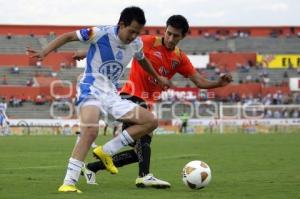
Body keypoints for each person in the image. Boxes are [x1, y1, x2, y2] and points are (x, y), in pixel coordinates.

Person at [78, 15, 232, 188]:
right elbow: (118, 44)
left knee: (139, 152)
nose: (171, 38)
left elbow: (199, 81)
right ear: (165, 30)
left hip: (147, 102)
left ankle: (91, 167)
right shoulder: (148, 41)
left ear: (183, 37)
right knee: (144, 138)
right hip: (131, 96)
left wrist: (218, 83)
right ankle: (143, 175)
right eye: (169, 33)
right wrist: (87, 53)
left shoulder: (180, 58)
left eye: (176, 36)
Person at [29, 6, 171, 193]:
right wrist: (45, 51)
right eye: (131, 31)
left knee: (150, 121)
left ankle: (107, 151)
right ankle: (68, 183)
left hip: (112, 93)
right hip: (91, 88)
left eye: (138, 32)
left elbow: (142, 59)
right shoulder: (99, 32)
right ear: (121, 24)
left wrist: (158, 77)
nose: (134, 36)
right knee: (90, 131)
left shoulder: (136, 44)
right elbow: (68, 36)